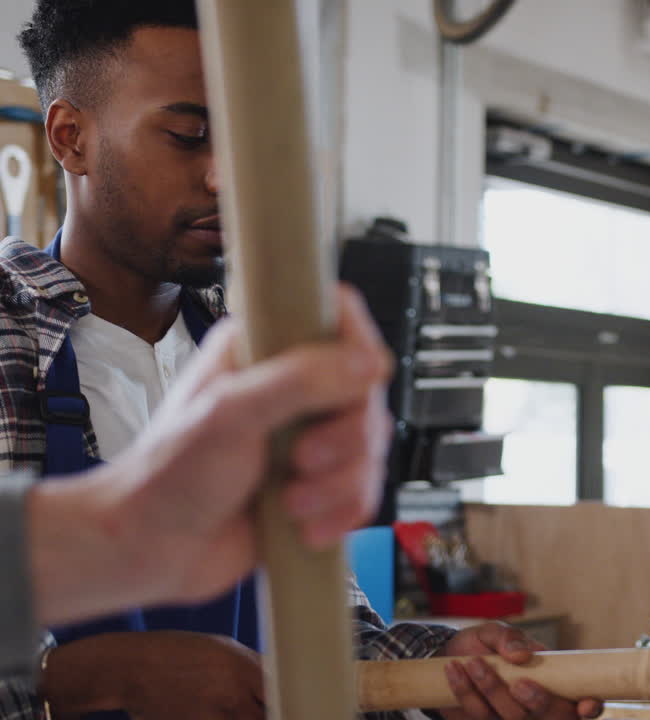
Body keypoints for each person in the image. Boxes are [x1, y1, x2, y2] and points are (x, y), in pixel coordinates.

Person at [1, 2, 601, 720]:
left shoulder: (263, 355)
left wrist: (437, 672)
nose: (227, 178)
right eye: (188, 135)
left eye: (247, 142)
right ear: (71, 139)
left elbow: (325, 632)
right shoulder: (13, 336)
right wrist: (82, 679)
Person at [2, 287, 388, 671]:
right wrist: (100, 681)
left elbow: (322, 618)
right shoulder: (14, 328)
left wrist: (426, 665)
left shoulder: (243, 335)